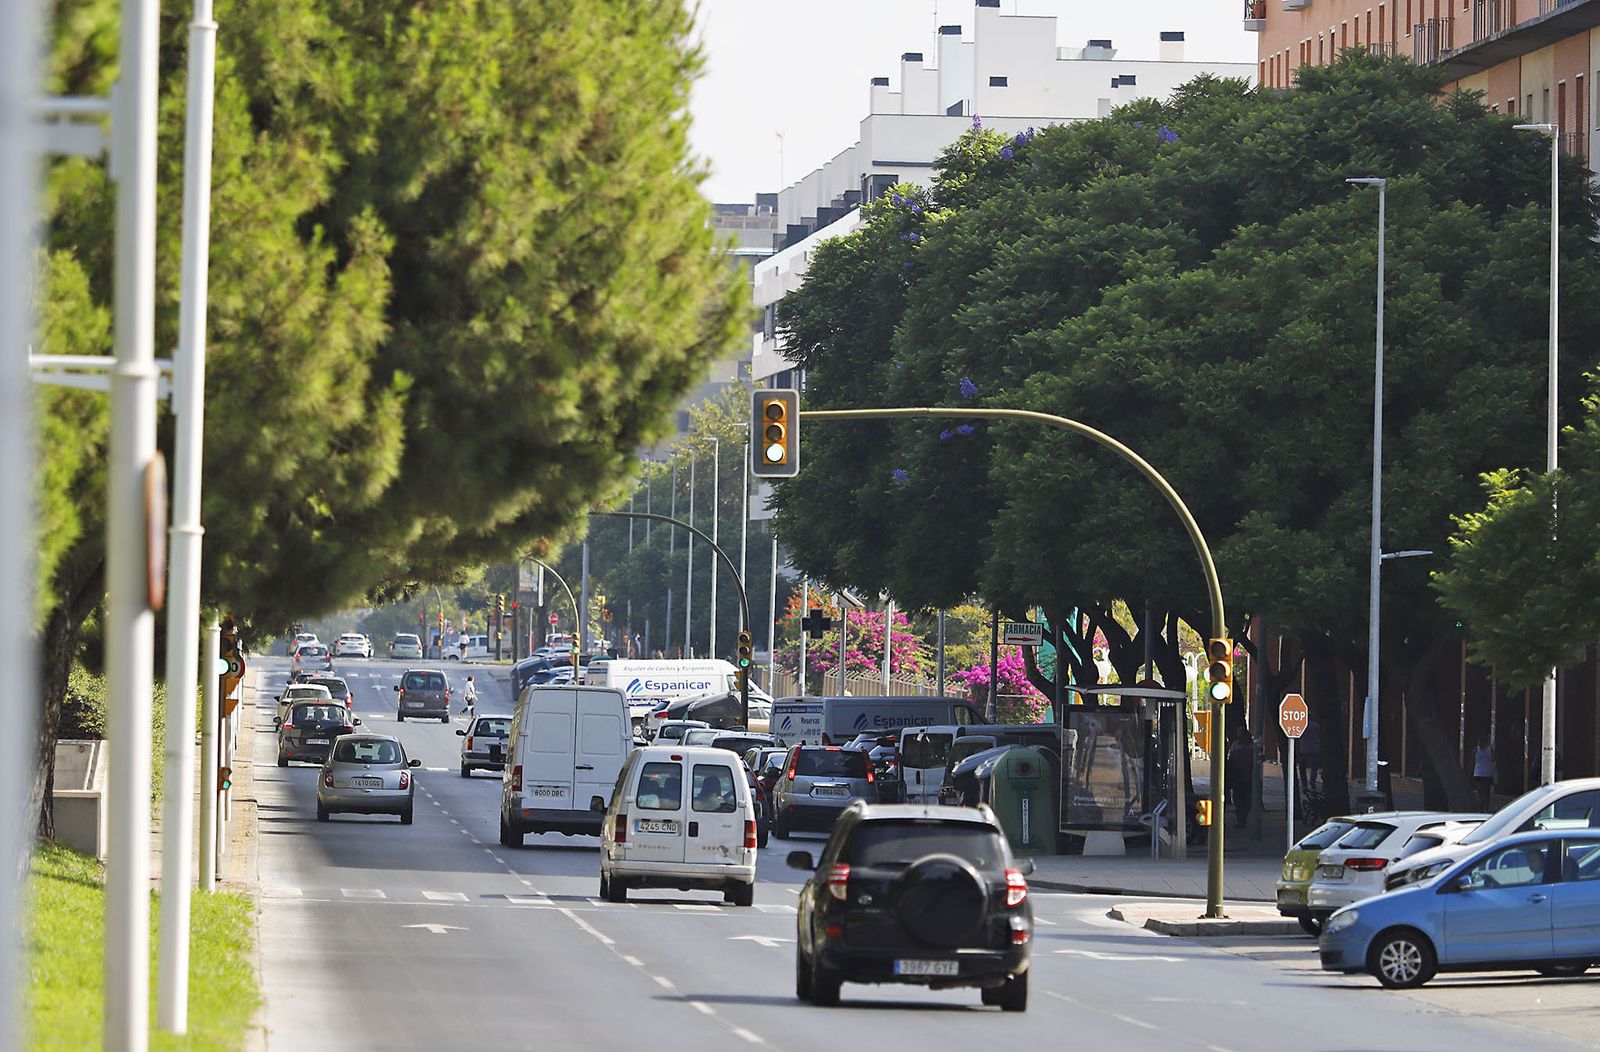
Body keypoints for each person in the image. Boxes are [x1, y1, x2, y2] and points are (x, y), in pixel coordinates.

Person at [1472, 735, 1494, 808]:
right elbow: (1494, 760)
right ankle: (1486, 808)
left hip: (1478, 773)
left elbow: (1472, 763)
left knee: (1480, 793)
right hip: (1487, 774)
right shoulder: (1490, 750)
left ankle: (1481, 808)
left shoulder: (1476, 750)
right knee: (1487, 793)